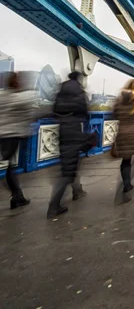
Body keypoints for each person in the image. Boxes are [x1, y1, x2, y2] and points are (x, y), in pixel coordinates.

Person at [48, 71, 92, 218]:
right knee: (68, 171)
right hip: (74, 129)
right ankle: (53, 207)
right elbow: (85, 112)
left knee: (70, 164)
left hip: (62, 129)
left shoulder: (60, 92)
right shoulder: (79, 92)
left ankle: (77, 190)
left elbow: (54, 110)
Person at [0, 72, 47, 209]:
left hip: (2, 134)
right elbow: (35, 113)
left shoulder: (2, 96)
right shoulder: (23, 97)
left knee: (8, 164)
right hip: (13, 135)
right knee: (9, 166)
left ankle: (16, 195)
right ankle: (17, 196)